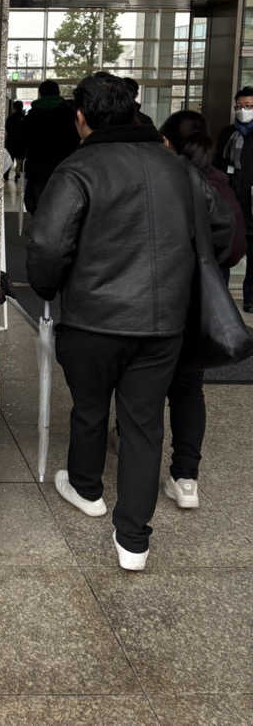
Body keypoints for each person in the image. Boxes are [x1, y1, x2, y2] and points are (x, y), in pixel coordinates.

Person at [26, 73, 196, 571]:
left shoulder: (79, 168)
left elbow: (47, 244)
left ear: (82, 118)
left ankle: (86, 488)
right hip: (163, 320)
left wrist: (46, 286)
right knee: (145, 424)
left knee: (90, 406)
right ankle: (134, 542)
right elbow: (213, 229)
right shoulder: (174, 166)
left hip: (94, 319)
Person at [159, 110, 238, 510]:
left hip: (162, 298)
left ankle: (134, 462)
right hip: (202, 302)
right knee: (189, 388)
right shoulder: (218, 181)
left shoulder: (164, 180)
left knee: (148, 384)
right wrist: (208, 261)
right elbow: (234, 240)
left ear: (167, 142)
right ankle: (186, 477)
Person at [215, 86, 253, 311]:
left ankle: (250, 298)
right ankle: (221, 297)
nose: (243, 111)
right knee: (225, 251)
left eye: (248, 107)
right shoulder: (228, 134)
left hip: (252, 201)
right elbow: (219, 164)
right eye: (239, 107)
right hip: (230, 200)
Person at [21, 79, 79, 213]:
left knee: (37, 207)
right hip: (64, 168)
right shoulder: (69, 115)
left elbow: (23, 141)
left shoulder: (32, 117)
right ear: (58, 93)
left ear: (40, 94)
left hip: (37, 168)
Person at [4, 100, 25, 182]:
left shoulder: (10, 118)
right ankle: (17, 173)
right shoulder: (24, 118)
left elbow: (7, 128)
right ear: (22, 107)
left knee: (10, 158)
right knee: (19, 159)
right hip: (21, 142)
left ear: (14, 107)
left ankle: (6, 174)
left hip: (11, 142)